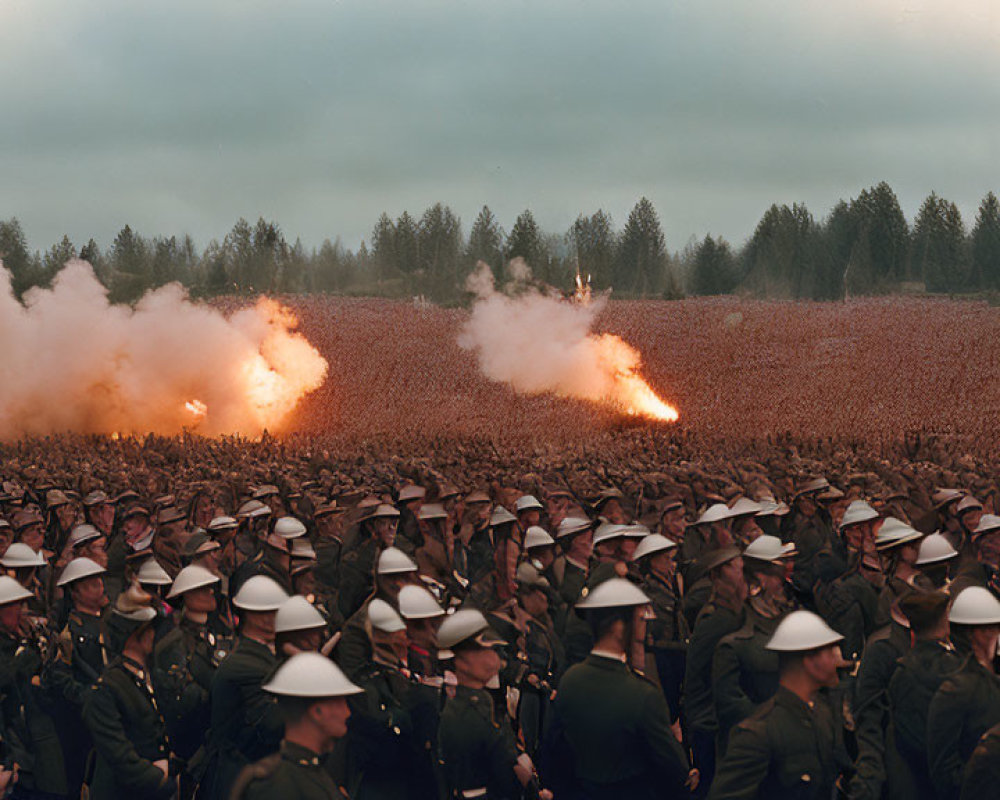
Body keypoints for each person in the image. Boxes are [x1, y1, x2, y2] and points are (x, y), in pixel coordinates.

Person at [545, 577, 693, 798]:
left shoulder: (570, 680)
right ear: (618, 626)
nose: (645, 627)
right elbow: (672, 768)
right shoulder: (643, 694)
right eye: (640, 619)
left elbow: (553, 751)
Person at [708, 610, 850, 800]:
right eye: (828, 650)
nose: (836, 657)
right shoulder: (758, 734)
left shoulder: (822, 716)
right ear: (809, 661)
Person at [438, 608, 551, 800]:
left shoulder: (481, 699)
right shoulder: (463, 711)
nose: (493, 657)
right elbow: (494, 768)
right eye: (485, 649)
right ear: (461, 661)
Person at [83, 583, 177, 800]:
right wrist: (159, 778)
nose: (154, 634)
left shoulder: (150, 676)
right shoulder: (108, 687)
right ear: (136, 634)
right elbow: (120, 756)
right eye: (149, 629)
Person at [202, 575, 288, 800]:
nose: (275, 618)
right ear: (253, 616)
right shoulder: (246, 665)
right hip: (239, 775)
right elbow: (273, 725)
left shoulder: (263, 655)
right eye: (269, 612)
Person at [231, 652, 362, 799]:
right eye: (340, 703)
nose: (347, 712)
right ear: (317, 712)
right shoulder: (277, 785)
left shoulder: (310, 772)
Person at [927, 587, 1000, 800]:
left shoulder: (989, 678)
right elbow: (944, 771)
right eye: (993, 627)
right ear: (975, 633)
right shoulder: (955, 691)